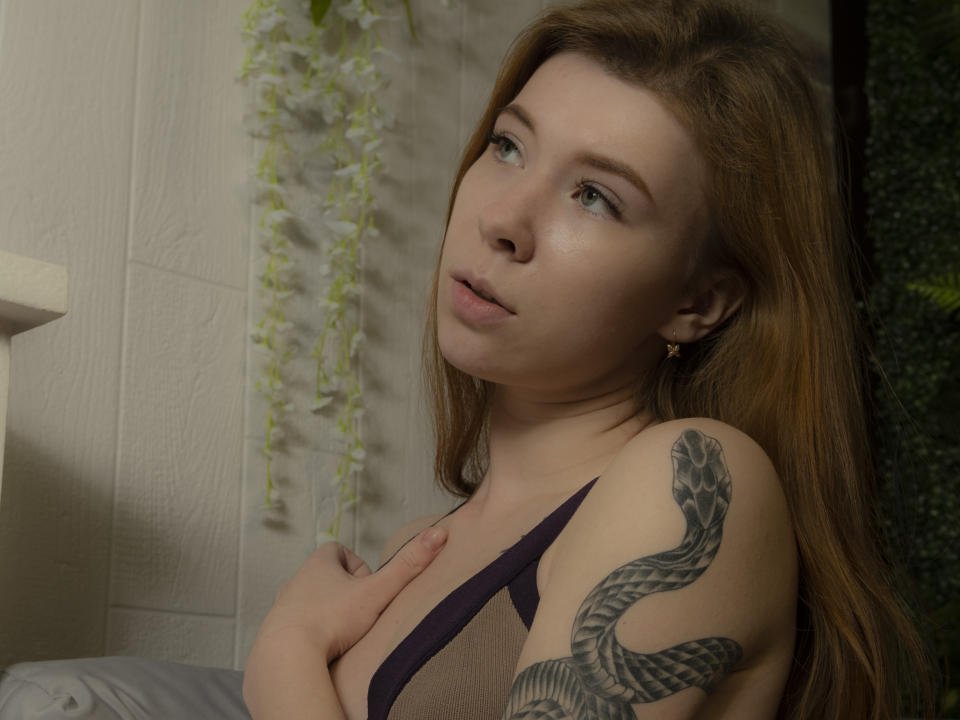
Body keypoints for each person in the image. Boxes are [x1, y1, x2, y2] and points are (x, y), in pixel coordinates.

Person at [243, 1, 933, 718]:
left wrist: (287, 655)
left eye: (595, 197)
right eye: (508, 146)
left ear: (697, 302)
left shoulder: (690, 479)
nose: (503, 220)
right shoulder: (418, 547)